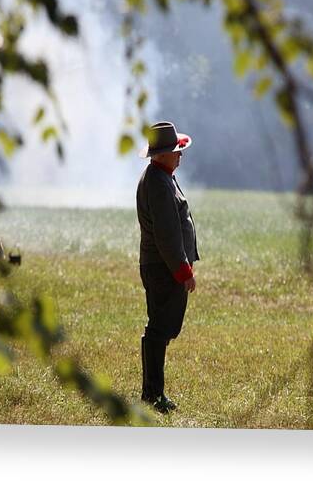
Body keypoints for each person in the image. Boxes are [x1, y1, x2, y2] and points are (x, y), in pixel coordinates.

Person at [136, 120, 199, 413]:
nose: (180, 154)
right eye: (175, 151)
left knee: (161, 329)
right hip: (164, 268)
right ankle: (153, 394)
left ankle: (152, 392)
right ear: (160, 154)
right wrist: (183, 270)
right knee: (160, 330)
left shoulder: (162, 176)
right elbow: (167, 234)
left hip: (163, 266)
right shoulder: (159, 183)